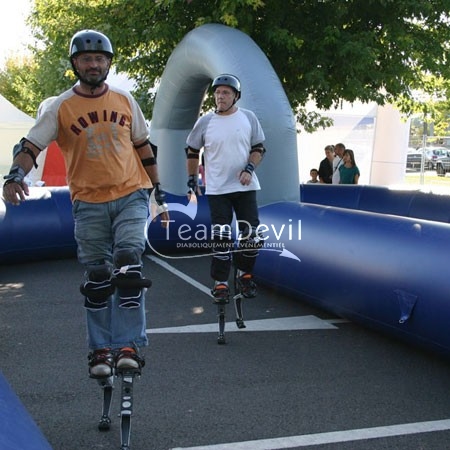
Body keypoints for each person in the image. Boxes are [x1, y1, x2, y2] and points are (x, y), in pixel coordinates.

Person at [1, 30, 169, 379]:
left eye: (100, 59)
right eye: (87, 59)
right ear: (75, 64)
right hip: (88, 201)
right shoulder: (60, 106)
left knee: (128, 262)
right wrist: (15, 174)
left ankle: (128, 345)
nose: (94, 65)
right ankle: (100, 349)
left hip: (130, 193)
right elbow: (31, 146)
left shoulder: (124, 100)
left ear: (108, 63)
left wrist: (159, 192)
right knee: (97, 277)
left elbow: (143, 146)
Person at [185, 74, 266, 303]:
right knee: (221, 237)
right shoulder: (205, 122)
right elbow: (192, 150)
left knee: (252, 236)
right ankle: (220, 282)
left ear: (236, 96)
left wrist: (249, 168)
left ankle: (244, 274)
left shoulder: (248, 117)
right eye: (218, 92)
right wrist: (192, 179)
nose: (220, 96)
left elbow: (259, 148)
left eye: (226, 93)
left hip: (245, 186)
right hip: (218, 189)